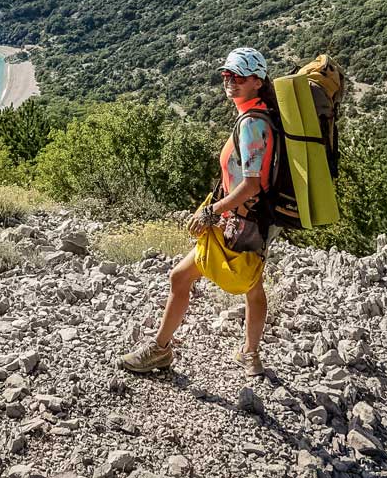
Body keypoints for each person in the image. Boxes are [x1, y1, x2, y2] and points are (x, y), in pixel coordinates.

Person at [118, 46, 278, 378]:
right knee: (252, 286)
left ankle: (160, 351)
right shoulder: (261, 113)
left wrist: (210, 212)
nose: (230, 81)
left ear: (258, 82)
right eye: (227, 75)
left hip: (238, 219)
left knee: (182, 277)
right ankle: (250, 356)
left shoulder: (252, 124)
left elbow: (250, 184)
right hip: (253, 219)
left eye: (239, 76)